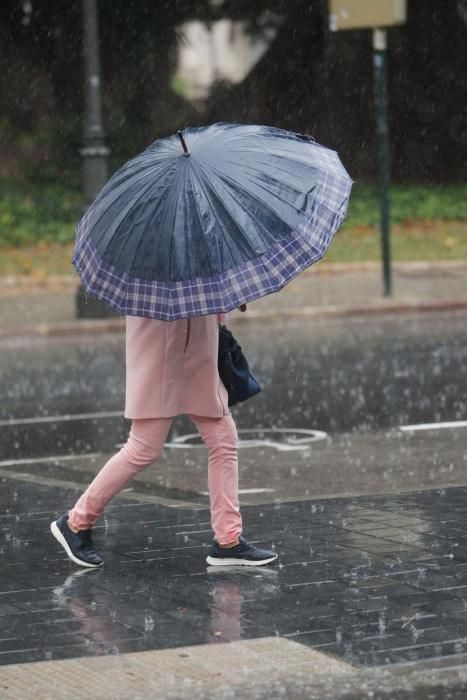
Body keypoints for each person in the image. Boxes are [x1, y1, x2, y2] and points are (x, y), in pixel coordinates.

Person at [50, 310, 278, 569]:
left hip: (199, 350)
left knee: (223, 439)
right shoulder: (151, 273)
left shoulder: (197, 268)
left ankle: (228, 540)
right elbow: (148, 302)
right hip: (162, 353)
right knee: (143, 447)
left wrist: (223, 303)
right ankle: (75, 522)